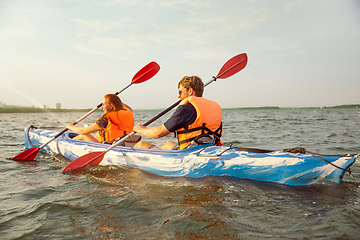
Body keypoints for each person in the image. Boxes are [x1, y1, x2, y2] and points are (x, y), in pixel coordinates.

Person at [133, 75, 223, 150]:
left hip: (190, 152)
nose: (178, 96)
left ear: (190, 91)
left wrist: (140, 129)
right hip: (211, 147)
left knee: (141, 144)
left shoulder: (186, 109)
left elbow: (158, 133)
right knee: (169, 143)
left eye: (180, 91)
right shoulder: (212, 106)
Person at [66, 94, 134, 143]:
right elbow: (128, 108)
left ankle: (67, 144)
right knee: (99, 134)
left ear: (111, 106)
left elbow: (83, 131)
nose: (102, 107)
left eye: (104, 104)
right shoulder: (128, 112)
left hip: (109, 147)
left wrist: (71, 127)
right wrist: (114, 100)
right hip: (121, 144)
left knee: (84, 135)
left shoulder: (106, 119)